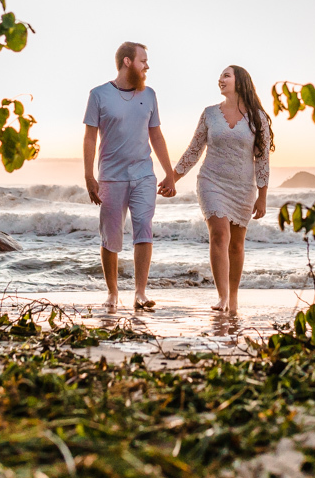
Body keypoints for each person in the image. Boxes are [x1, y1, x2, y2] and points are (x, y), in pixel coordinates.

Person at [83, 42, 177, 312]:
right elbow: (90, 136)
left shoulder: (149, 95)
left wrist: (169, 173)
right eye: (142, 60)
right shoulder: (99, 94)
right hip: (111, 177)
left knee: (143, 229)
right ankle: (112, 293)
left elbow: (156, 135)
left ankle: (140, 293)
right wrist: (89, 175)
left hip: (144, 175)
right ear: (127, 62)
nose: (147, 66)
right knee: (110, 236)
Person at [172, 65, 273, 314]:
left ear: (241, 81)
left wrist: (262, 196)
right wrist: (172, 178)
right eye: (220, 76)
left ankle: (234, 296)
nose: (221, 79)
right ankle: (222, 296)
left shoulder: (258, 118)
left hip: (242, 187)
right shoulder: (209, 114)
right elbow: (194, 150)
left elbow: (262, 160)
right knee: (219, 235)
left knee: (236, 245)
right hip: (211, 181)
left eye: (226, 75)